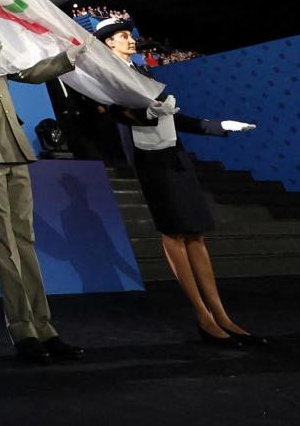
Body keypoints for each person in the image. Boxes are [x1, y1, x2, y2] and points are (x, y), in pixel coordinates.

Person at [88, 23, 263, 348]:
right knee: (174, 233)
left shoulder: (140, 72)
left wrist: (219, 126)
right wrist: (149, 116)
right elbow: (117, 114)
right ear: (109, 43)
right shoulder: (107, 76)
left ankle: (221, 314)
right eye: (123, 35)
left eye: (129, 34)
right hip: (150, 160)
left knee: (195, 232)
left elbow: (174, 117)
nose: (131, 39)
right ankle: (203, 316)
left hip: (174, 153)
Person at [0, 37, 90, 365]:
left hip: (16, 149)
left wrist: (68, 57)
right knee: (2, 244)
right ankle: (22, 330)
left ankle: (45, 327)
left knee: (25, 241)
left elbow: (30, 72)